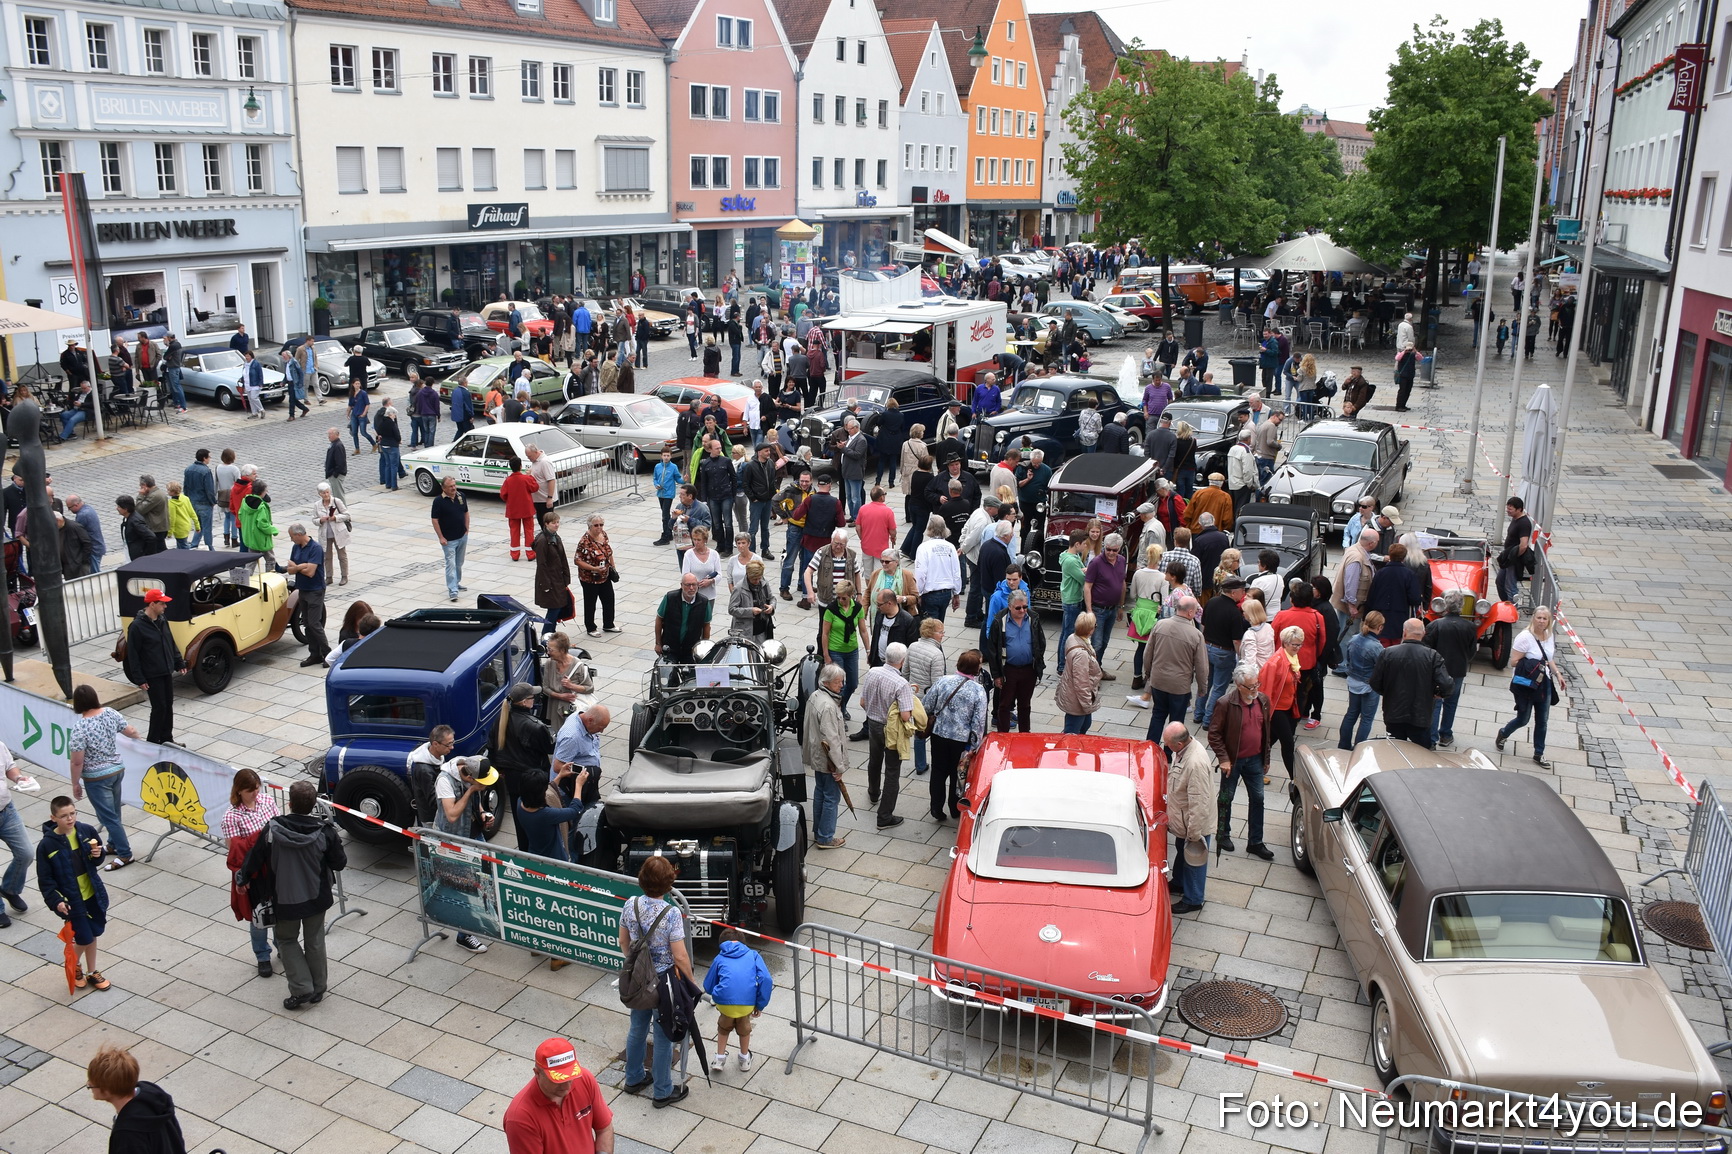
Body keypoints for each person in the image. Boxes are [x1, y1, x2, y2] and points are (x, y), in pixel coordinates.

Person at [242, 780, 347, 1010]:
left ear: (289, 804)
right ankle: (318, 988)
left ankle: (302, 989)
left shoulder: (272, 829)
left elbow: (255, 858)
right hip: (316, 897)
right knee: (315, 941)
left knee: (287, 940)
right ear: (313, 805)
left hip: (284, 899)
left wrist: (243, 878)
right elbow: (339, 863)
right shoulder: (325, 832)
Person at [619, 855, 695, 1108]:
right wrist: (690, 982)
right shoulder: (671, 913)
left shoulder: (631, 904)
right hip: (664, 982)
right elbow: (680, 955)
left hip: (639, 979)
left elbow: (623, 943)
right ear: (668, 883)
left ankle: (634, 1078)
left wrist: (639, 967)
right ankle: (662, 1091)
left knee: (637, 1028)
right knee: (664, 1035)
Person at [503, 1038, 616, 1154]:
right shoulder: (520, 1118)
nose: (567, 1086)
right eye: (559, 1079)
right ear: (537, 1073)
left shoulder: (584, 1079)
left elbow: (604, 1129)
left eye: (570, 1077)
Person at [1208, 666, 1274, 860]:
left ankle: (1255, 842)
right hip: (1233, 761)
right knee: (1226, 798)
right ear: (1238, 685)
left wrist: (1266, 758)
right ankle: (1222, 835)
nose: (1255, 690)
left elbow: (1266, 732)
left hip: (1255, 759)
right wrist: (1224, 759)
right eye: (1251, 686)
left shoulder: (1263, 700)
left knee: (1258, 799)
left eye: (1257, 685)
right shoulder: (1225, 703)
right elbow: (1214, 734)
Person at [221, 769, 280, 976]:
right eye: (251, 790)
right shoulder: (231, 817)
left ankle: (283, 947)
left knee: (279, 910)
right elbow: (235, 852)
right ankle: (262, 956)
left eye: (257, 788)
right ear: (239, 791)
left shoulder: (267, 801)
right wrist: (242, 877)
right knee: (259, 916)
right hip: (253, 872)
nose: (256, 793)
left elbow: (278, 828)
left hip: (274, 866)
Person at [922, 651, 989, 823]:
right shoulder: (978, 690)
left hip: (939, 735)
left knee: (938, 770)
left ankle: (936, 807)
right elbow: (979, 721)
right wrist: (974, 745)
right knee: (957, 773)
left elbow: (926, 705)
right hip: (961, 741)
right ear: (976, 669)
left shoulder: (943, 681)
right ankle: (954, 807)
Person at [1368, 618, 1453, 748]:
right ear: (1423, 634)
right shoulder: (1432, 656)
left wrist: (1388, 692)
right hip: (1421, 716)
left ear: (1404, 632)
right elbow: (1446, 684)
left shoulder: (1388, 653)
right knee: (1421, 754)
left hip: (1394, 713)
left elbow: (1375, 682)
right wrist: (1437, 694)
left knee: (1395, 751)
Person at [85, 1044, 187, 1152]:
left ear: (107, 1089)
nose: (89, 1084)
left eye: (92, 1084)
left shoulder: (127, 1136)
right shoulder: (154, 1096)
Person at [1496, 606, 1561, 769]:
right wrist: (1535, 664)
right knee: (1523, 719)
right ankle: (1503, 733)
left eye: (1544, 619)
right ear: (1533, 618)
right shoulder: (1524, 637)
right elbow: (1513, 662)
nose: (1541, 621)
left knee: (1542, 720)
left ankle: (1539, 753)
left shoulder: (1549, 635)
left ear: (1548, 621)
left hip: (1543, 683)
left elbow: (1549, 658)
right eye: (1539, 618)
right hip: (1526, 684)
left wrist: (1558, 674)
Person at [858, 641, 914, 829]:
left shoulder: (872, 672)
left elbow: (863, 702)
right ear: (902, 661)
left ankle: (874, 792)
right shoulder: (901, 684)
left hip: (873, 724)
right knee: (892, 771)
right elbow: (906, 715)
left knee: (874, 760)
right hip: (892, 730)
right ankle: (884, 816)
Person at [1162, 722, 1215, 914]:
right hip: (1184, 820)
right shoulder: (1185, 749)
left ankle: (1193, 899)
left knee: (1194, 859)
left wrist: (1194, 834)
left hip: (1193, 825)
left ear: (1179, 744)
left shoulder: (1194, 763)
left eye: (1167, 743)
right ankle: (1179, 882)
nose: (1166, 746)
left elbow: (1198, 802)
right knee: (1180, 851)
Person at [121, 590, 182, 746]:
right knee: (159, 707)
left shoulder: (162, 620)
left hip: (166, 670)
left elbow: (170, 642)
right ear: (152, 604)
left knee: (168, 705)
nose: (165, 606)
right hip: (152, 673)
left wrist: (178, 662)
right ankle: (153, 741)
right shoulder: (137, 626)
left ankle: (167, 738)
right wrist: (139, 678)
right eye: (162, 603)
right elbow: (133, 655)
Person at [804, 663, 850, 849]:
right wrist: (839, 768)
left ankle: (819, 832)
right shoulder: (829, 706)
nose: (841, 685)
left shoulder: (816, 696)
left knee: (820, 793)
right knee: (831, 797)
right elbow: (831, 740)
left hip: (817, 756)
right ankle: (825, 838)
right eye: (838, 682)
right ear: (827, 682)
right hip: (827, 760)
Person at [985, 590, 1045, 732]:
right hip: (1008, 669)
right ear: (1010, 606)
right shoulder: (1000, 621)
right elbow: (993, 650)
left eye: (1025, 606)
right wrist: (997, 675)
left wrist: (1038, 664)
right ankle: (1003, 736)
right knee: (1005, 704)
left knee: (1025, 705)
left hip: (1029, 669)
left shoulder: (1033, 618)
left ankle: (1025, 734)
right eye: (1018, 608)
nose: (1023, 610)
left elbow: (1040, 642)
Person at [1424, 591, 1477, 748]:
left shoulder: (1435, 625)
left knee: (1436, 703)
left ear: (1445, 605)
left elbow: (1427, 648)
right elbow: (1472, 651)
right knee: (1451, 703)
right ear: (1461, 606)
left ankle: (1431, 739)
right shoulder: (1470, 627)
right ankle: (1445, 734)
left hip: (1437, 670)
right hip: (1458, 669)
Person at [1197, 576, 1248, 725]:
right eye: (1242, 591)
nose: (1243, 594)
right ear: (1233, 593)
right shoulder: (1234, 612)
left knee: (1206, 683)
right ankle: (1208, 720)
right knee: (1219, 688)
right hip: (1224, 653)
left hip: (1206, 648)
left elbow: (1203, 625)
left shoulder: (1212, 602)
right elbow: (1236, 640)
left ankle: (1198, 713)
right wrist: (1240, 657)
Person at [1259, 625, 1304, 780]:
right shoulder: (1275, 662)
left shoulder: (1293, 658)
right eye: (1295, 644)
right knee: (1288, 743)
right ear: (1285, 643)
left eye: (1300, 644)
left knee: (1270, 740)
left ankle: (1256, 767)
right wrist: (1265, 713)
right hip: (1276, 708)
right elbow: (1265, 689)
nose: (1298, 648)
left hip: (1289, 707)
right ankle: (1295, 779)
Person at [1338, 611, 1387, 749]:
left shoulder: (1353, 640)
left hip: (1353, 682)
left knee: (1351, 714)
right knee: (1366, 719)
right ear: (1380, 627)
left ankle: (1343, 745)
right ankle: (1358, 749)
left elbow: (1348, 659)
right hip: (1369, 686)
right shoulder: (1377, 647)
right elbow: (1381, 668)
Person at [1082, 532, 1127, 673]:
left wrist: (1121, 606)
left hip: (1112, 609)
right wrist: (1089, 610)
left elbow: (1122, 583)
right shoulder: (1096, 562)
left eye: (1114, 550)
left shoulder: (1122, 560)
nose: (1111, 553)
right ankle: (1091, 673)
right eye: (1108, 549)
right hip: (1098, 609)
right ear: (1104, 547)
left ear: (1119, 549)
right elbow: (1087, 586)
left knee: (1105, 642)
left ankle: (1097, 669)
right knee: (1096, 643)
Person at [1365, 542, 1422, 644]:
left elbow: (1371, 596)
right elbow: (1415, 599)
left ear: (1390, 556)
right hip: (1400, 618)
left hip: (1380, 618)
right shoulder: (1409, 575)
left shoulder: (1380, 573)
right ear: (1404, 558)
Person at [1056, 611, 1102, 734]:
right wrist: (1087, 705)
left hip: (1075, 698)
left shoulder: (1073, 638)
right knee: (1072, 733)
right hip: (1077, 702)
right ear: (1090, 630)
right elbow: (1081, 683)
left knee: (1084, 725)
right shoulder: (1081, 654)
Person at [574, 512, 619, 637]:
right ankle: (591, 627)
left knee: (609, 599)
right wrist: (593, 568)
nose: (599, 528)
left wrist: (613, 567)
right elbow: (577, 560)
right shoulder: (584, 541)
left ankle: (609, 624)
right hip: (589, 578)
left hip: (605, 575)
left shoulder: (603, 535)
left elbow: (609, 552)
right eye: (596, 525)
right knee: (590, 602)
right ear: (589, 526)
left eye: (601, 525)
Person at [914, 515, 961, 624]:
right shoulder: (950, 547)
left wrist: (918, 593)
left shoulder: (924, 547)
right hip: (946, 593)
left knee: (929, 629)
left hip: (930, 593)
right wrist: (956, 593)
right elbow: (956, 572)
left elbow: (921, 573)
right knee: (939, 626)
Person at [655, 573, 711, 665]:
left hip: (691, 649)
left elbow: (706, 626)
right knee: (668, 674)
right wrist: (658, 643)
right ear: (681, 585)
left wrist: (704, 648)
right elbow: (659, 619)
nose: (692, 588)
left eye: (694, 584)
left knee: (690, 676)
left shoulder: (704, 602)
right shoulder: (670, 598)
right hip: (670, 648)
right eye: (688, 585)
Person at [431, 475, 470, 601]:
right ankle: (453, 590)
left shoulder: (461, 496)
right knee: (451, 564)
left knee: (459, 562)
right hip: (449, 539)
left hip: (462, 536)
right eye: (450, 486)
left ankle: (456, 582)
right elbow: (435, 520)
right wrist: (441, 537)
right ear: (443, 488)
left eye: (454, 485)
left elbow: (466, 512)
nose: (453, 488)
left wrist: (467, 529)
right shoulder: (438, 501)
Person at [500, 457, 541, 562]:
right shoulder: (526, 479)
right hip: (526, 509)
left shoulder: (508, 480)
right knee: (529, 531)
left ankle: (515, 554)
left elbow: (503, 495)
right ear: (520, 466)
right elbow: (535, 487)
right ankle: (530, 553)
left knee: (514, 531)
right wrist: (530, 476)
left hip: (513, 510)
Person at [313, 482, 350, 587]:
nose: (326, 495)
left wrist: (335, 518)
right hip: (325, 534)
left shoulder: (336, 501)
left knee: (342, 556)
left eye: (327, 492)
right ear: (319, 494)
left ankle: (344, 576)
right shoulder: (317, 505)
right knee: (326, 557)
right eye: (323, 493)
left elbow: (347, 515)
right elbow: (314, 519)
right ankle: (329, 577)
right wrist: (320, 520)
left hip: (338, 532)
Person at [1498, 496, 1534, 603]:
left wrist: (1513, 558)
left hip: (1513, 560)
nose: (1508, 511)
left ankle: (1512, 609)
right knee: (1500, 581)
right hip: (1508, 557)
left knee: (1510, 586)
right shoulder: (1515, 519)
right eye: (1507, 508)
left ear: (1519, 509)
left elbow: (1523, 545)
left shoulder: (1524, 523)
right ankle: (1505, 604)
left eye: (1510, 509)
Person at [239, 478, 278, 558]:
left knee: (251, 560)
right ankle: (271, 571)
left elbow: (240, 515)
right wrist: (273, 530)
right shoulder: (261, 506)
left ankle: (247, 571)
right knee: (270, 559)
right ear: (262, 492)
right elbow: (262, 524)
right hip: (261, 539)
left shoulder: (245, 501)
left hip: (250, 537)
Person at [1393, 342, 1420, 412]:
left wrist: (1415, 351)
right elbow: (1397, 358)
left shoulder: (1413, 354)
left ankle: (1403, 405)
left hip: (1410, 375)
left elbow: (1421, 358)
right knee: (1402, 390)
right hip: (1403, 376)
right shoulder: (1401, 354)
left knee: (1408, 391)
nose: (1409, 350)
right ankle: (1398, 406)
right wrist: (1404, 351)